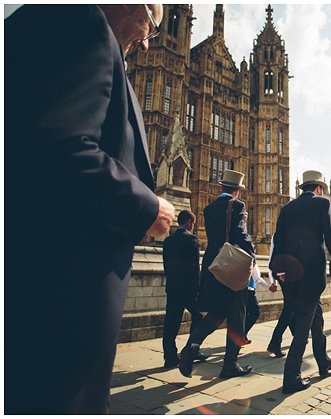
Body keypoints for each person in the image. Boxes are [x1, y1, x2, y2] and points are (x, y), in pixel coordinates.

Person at [6, 4, 175, 414]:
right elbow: (60, 150)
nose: (149, 40)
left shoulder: (43, 21)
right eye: (151, 23)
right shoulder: (82, 22)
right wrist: (147, 206)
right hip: (53, 313)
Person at [270, 170, 331, 394]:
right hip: (312, 274)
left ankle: (323, 361)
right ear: (319, 188)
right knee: (303, 326)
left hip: (291, 273)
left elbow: (278, 237)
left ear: (303, 188)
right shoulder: (322, 203)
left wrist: (278, 269)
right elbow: (330, 234)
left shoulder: (287, 208)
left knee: (316, 317)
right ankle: (291, 376)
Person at [179, 170, 255, 379]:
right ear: (237, 191)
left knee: (216, 313)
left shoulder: (209, 207)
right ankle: (230, 364)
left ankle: (191, 346)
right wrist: (251, 253)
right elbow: (240, 234)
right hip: (232, 267)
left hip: (214, 266)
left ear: (221, 187)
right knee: (238, 316)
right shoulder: (237, 205)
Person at [162, 210, 208, 368]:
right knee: (199, 316)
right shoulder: (192, 239)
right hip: (188, 289)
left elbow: (166, 266)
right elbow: (194, 267)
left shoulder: (168, 241)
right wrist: (197, 289)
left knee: (171, 323)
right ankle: (191, 349)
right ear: (188, 222)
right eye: (193, 224)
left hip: (173, 287)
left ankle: (170, 357)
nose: (193, 227)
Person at [246, 261, 278, 341]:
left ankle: (241, 335)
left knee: (244, 314)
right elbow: (257, 278)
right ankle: (241, 334)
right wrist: (269, 287)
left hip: (239, 290)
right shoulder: (251, 259)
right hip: (249, 290)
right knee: (255, 312)